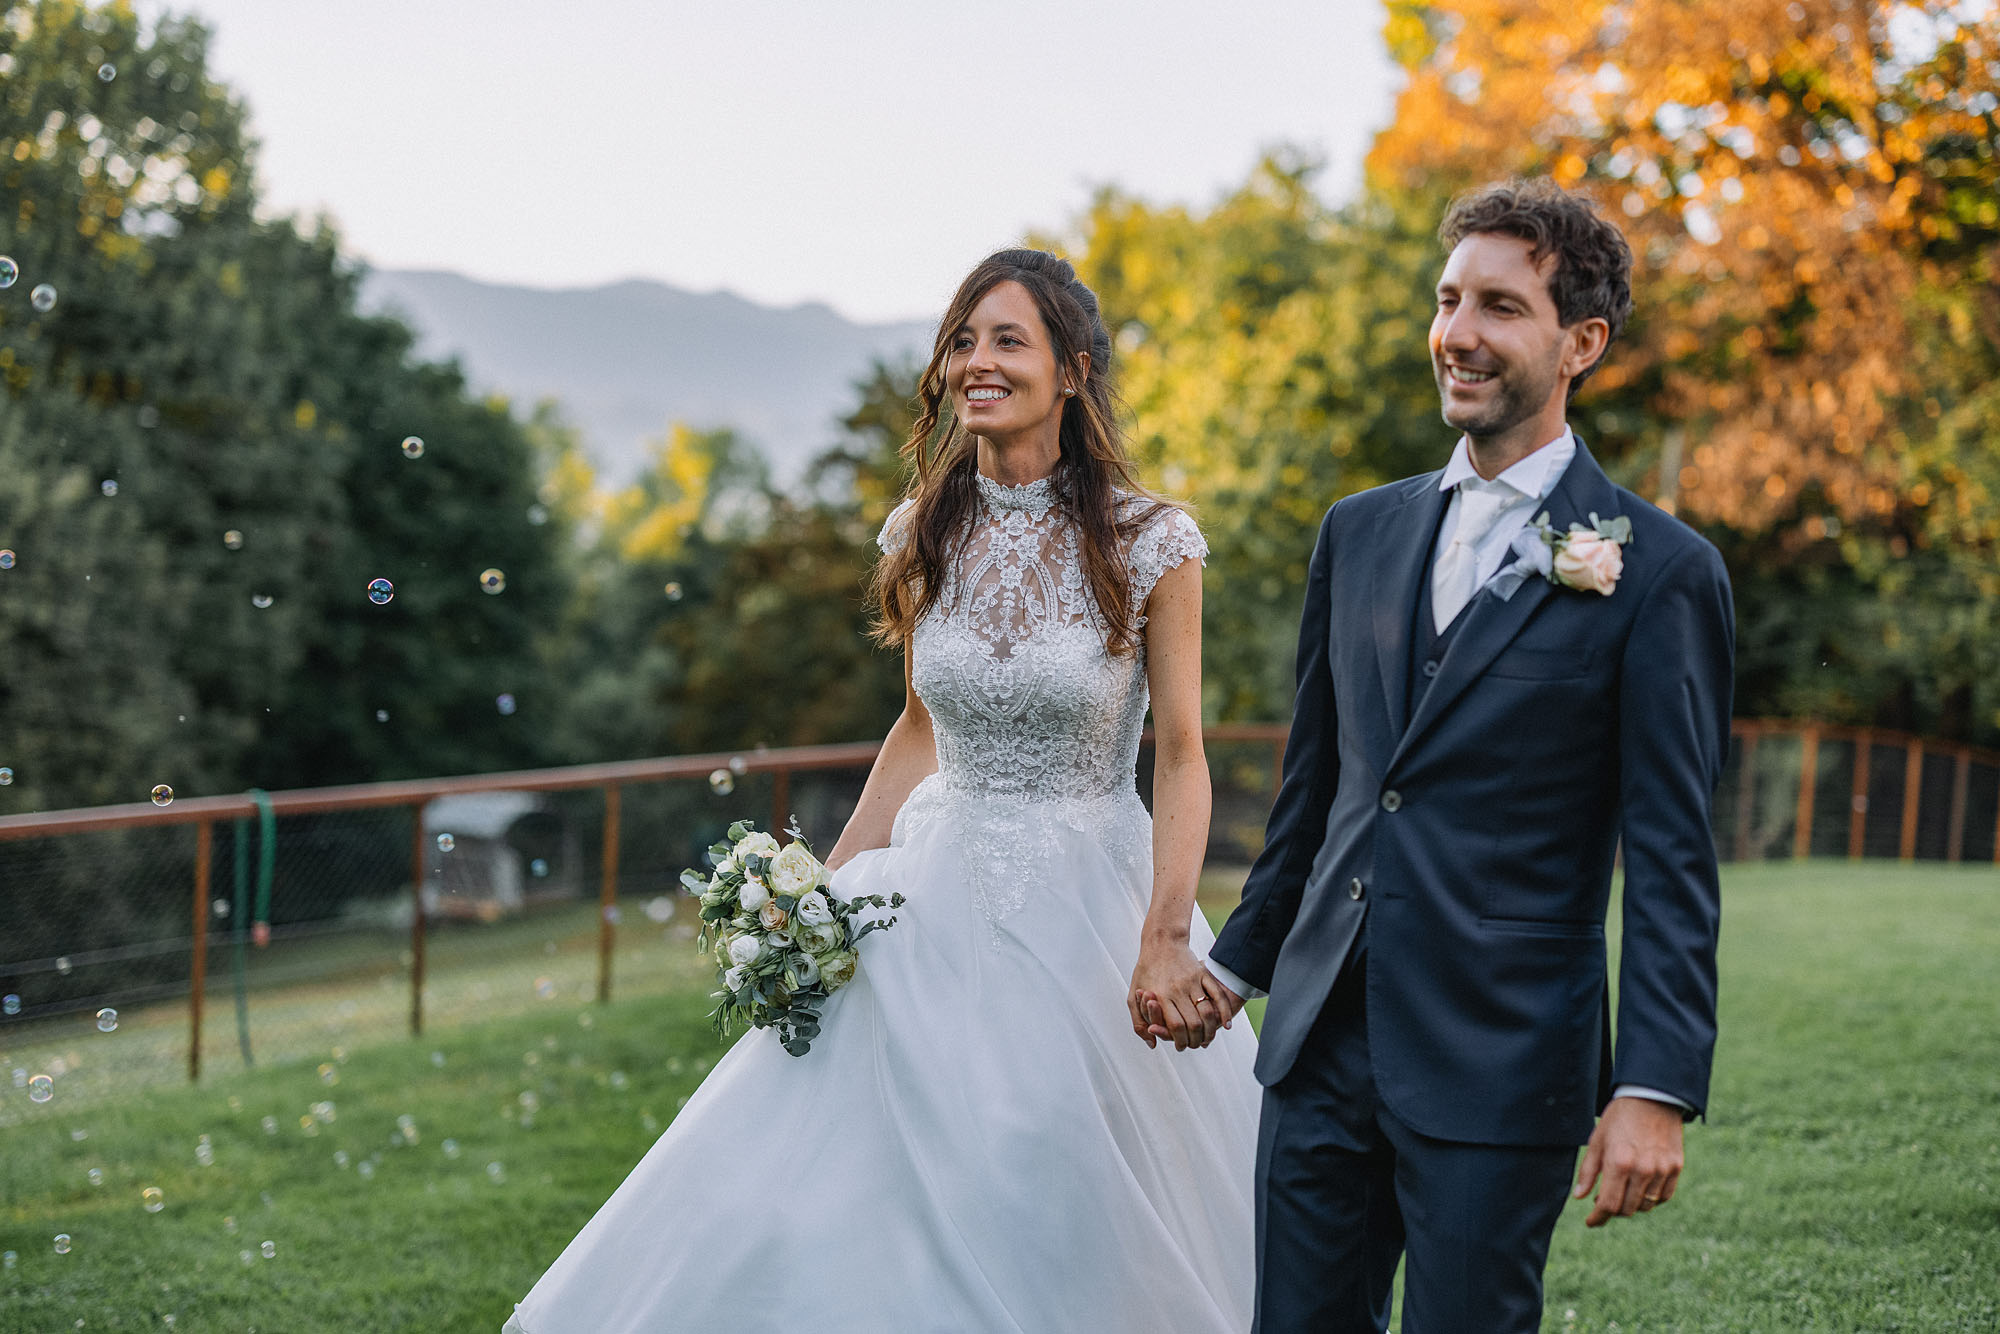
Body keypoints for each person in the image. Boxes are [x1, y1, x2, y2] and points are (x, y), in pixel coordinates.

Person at [503, 249, 1259, 1334]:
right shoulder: (921, 530)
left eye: (1006, 340)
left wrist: (1164, 930)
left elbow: (1181, 752)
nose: (974, 362)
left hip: (1088, 897)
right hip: (928, 893)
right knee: (837, 1174)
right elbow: (917, 726)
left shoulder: (1153, 542)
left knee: (1054, 1164)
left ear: (1074, 368)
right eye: (961, 339)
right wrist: (818, 889)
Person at [1154, 179, 1735, 1332]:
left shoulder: (1656, 570)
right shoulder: (1356, 532)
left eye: (1497, 308)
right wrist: (1233, 969)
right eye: (1446, 299)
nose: (1455, 334)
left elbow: (1671, 852)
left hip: (1501, 1055)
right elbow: (1315, 798)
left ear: (1580, 341)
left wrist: (1652, 1084)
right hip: (1318, 1042)